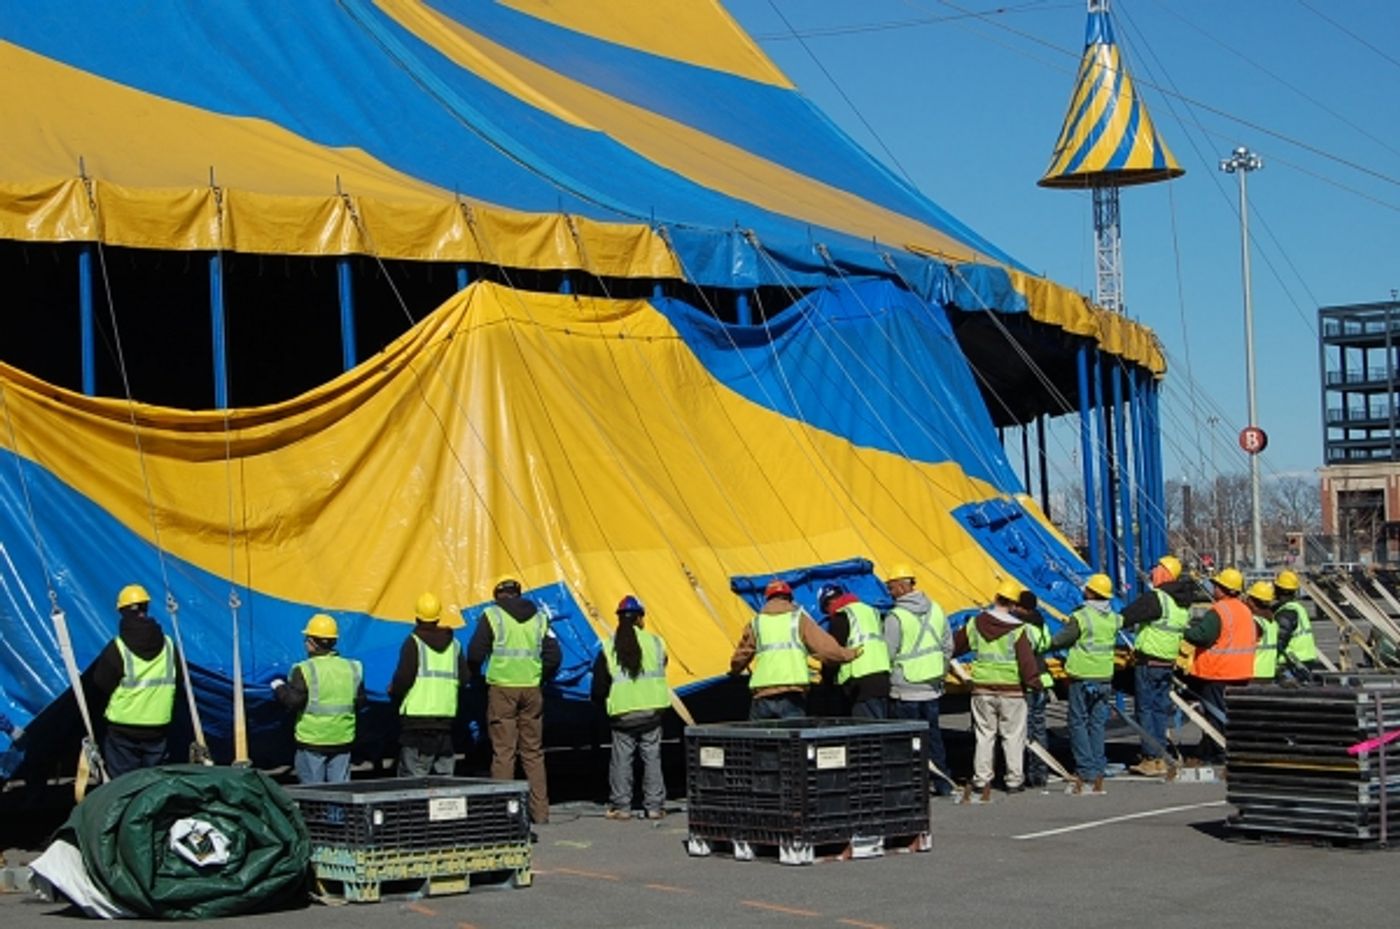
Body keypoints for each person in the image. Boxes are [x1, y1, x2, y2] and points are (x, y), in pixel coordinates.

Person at [469, 578, 561, 826]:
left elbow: (475, 653)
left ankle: (504, 815)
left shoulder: (493, 616)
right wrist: (539, 676)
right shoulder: (540, 618)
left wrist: (476, 675)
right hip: (531, 689)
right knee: (533, 752)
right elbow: (554, 656)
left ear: (498, 596)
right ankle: (540, 812)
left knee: (504, 752)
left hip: (502, 689)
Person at [952, 580, 1044, 800]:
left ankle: (981, 779)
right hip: (1012, 689)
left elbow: (955, 646)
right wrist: (1034, 683)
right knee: (1013, 736)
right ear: (1013, 604)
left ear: (995, 598)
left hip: (982, 687)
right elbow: (1026, 661)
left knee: (984, 735)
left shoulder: (976, 623)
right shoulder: (1018, 629)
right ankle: (1014, 780)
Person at [86, 584, 183, 780]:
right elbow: (179, 680)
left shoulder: (117, 647)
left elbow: (101, 683)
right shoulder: (169, 645)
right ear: (146, 608)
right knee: (154, 784)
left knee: (124, 785)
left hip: (123, 728)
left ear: (122, 612)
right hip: (158, 727)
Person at [729, 579, 858, 720]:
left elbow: (742, 654)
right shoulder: (798, 620)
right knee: (793, 734)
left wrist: (735, 670)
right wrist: (848, 654)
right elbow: (825, 649)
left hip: (763, 695)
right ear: (789, 598)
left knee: (761, 734)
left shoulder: (756, 623)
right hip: (791, 695)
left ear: (768, 599)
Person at [590, 596, 669, 821]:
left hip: (623, 714)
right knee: (652, 757)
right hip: (651, 711)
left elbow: (599, 687)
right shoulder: (656, 643)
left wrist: (601, 704)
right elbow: (662, 667)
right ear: (640, 618)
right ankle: (654, 807)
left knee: (621, 760)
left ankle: (621, 807)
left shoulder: (608, 647)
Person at [1120, 554, 1196, 776]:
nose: (1152, 573)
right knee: (1160, 710)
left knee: (1145, 709)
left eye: (1157, 569)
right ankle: (1160, 754)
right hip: (1167, 663)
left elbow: (1126, 617)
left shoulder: (1156, 598)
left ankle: (1151, 757)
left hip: (1149, 662)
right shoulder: (1181, 603)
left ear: (1164, 573)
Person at [882, 563, 953, 796]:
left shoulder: (896, 617)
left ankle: (911, 787)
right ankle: (942, 783)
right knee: (933, 738)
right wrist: (940, 671)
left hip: (904, 688)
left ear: (902, 587)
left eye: (891, 587)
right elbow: (948, 646)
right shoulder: (937, 610)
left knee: (907, 741)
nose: (889, 592)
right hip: (931, 686)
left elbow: (888, 653)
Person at [272, 613, 366, 784]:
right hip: (342, 739)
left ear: (312, 643)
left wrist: (278, 687)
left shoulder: (304, 669)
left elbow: (292, 701)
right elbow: (361, 702)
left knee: (313, 793)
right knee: (341, 792)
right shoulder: (353, 668)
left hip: (312, 741)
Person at [1050, 574, 1121, 795]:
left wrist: (1047, 645)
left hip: (1083, 676)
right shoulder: (1114, 618)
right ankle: (1098, 767)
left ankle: (1085, 769)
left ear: (1090, 592)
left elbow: (1060, 640)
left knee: (1078, 723)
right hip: (1104, 676)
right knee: (1097, 724)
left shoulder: (1082, 616)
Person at [388, 591, 471, 778]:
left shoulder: (414, 642)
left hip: (416, 724)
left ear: (417, 617)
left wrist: (393, 691)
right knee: (445, 781)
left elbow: (404, 678)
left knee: (412, 780)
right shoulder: (454, 645)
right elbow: (465, 679)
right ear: (438, 617)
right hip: (445, 721)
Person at [1183, 567, 1257, 764]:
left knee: (1215, 715)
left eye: (1216, 585)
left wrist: (1184, 631)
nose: (1213, 588)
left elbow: (1202, 636)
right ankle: (1225, 748)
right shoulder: (1245, 610)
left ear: (1224, 589)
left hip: (1218, 672)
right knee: (1232, 714)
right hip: (1241, 672)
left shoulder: (1219, 611)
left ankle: (1218, 752)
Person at [820, 584, 892, 718]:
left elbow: (834, 653)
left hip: (860, 683)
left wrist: (826, 679)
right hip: (882, 677)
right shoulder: (872, 612)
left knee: (867, 728)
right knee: (882, 726)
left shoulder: (842, 616)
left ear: (829, 603)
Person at [1017, 590, 1055, 789]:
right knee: (1039, 729)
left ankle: (1030, 772)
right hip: (1043, 679)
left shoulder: (1023, 626)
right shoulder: (1041, 624)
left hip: (1029, 682)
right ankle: (1041, 771)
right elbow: (1046, 644)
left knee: (1026, 730)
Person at [1273, 570, 1320, 677]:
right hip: (1305, 659)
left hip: (1292, 664)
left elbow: (1279, 642)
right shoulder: (1298, 608)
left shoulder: (1286, 613)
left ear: (1280, 589)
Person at [1247, 581, 1279, 683]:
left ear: (1253, 602)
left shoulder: (1255, 623)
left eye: (1249, 598)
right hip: (1269, 673)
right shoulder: (1272, 623)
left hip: (1254, 674)